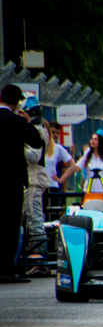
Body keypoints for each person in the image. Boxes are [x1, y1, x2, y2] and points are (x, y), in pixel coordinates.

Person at [0, 84, 46, 283]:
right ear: (17, 101)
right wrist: (27, 123)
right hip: (12, 180)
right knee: (10, 224)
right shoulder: (17, 121)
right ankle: (7, 269)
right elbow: (37, 142)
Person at [21, 98, 50, 270]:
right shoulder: (38, 129)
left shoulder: (36, 130)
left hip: (34, 179)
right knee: (29, 219)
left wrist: (17, 147)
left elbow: (34, 156)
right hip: (31, 179)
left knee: (35, 220)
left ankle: (40, 259)